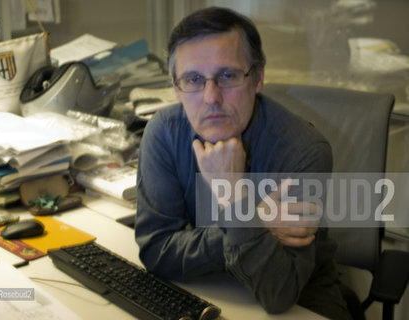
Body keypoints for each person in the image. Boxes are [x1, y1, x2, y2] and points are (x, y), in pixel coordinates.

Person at [135, 6, 352, 320]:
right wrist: (255, 220)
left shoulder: (303, 152)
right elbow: (156, 252)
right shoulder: (164, 133)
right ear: (176, 87)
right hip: (206, 291)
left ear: (258, 78)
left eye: (227, 75)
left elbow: (278, 294)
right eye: (193, 79)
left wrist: (234, 196)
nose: (211, 97)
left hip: (301, 303)